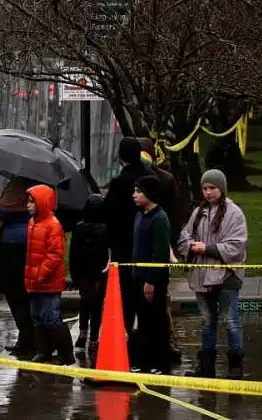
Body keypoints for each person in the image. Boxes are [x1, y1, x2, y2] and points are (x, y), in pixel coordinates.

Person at [177, 169, 247, 379]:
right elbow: (184, 237)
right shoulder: (199, 212)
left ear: (221, 189)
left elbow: (237, 246)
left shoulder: (235, 213)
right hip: (202, 276)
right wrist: (190, 246)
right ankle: (206, 367)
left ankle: (235, 368)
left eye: (212, 188)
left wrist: (207, 248)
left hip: (227, 276)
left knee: (230, 321)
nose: (207, 192)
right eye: (204, 188)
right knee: (207, 321)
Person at [138, 137, 187, 363]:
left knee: (160, 303)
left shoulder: (163, 181)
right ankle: (151, 347)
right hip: (142, 249)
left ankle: (166, 345)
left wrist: (172, 243)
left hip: (159, 245)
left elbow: (175, 214)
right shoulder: (138, 184)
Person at [103, 137, 155, 335]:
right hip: (146, 245)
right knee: (145, 296)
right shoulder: (150, 178)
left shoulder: (119, 183)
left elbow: (108, 212)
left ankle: (127, 333)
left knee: (126, 294)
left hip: (123, 245)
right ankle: (145, 336)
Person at [0, 177, 38, 357]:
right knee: (21, 296)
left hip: (14, 248)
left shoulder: (19, 188)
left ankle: (27, 338)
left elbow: (4, 209)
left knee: (18, 295)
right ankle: (27, 337)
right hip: (16, 247)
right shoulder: (36, 187)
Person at [25, 184, 75, 365]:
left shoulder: (52, 225)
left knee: (51, 317)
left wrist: (39, 274)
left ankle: (66, 354)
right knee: (37, 316)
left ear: (42, 203)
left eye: (32, 202)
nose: (28, 205)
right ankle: (44, 351)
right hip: (36, 281)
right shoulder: (33, 223)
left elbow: (55, 255)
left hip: (48, 282)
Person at [130, 175, 172, 374]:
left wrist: (151, 280)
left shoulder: (159, 218)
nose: (135, 195)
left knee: (157, 319)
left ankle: (160, 361)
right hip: (138, 276)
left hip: (153, 279)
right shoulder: (139, 216)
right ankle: (144, 360)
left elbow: (160, 253)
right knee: (143, 320)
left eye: (139, 191)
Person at [69, 194, 109, 359]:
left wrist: (74, 276)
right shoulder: (106, 229)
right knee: (97, 307)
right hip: (100, 274)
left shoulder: (78, 229)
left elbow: (73, 255)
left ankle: (82, 335)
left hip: (83, 275)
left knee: (84, 304)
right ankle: (93, 339)